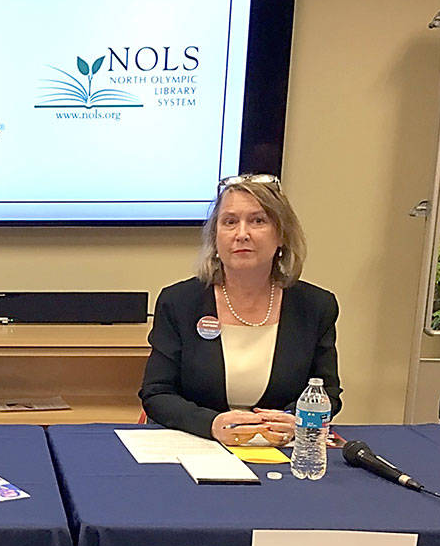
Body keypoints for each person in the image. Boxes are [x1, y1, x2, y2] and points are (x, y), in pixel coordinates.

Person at [139, 175, 342, 446]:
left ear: (281, 234)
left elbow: (328, 392)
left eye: (258, 221)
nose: (242, 233)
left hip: (281, 449)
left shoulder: (315, 306)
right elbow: (156, 394)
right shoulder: (179, 302)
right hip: (198, 444)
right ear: (216, 236)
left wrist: (297, 421)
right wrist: (211, 424)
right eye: (230, 222)